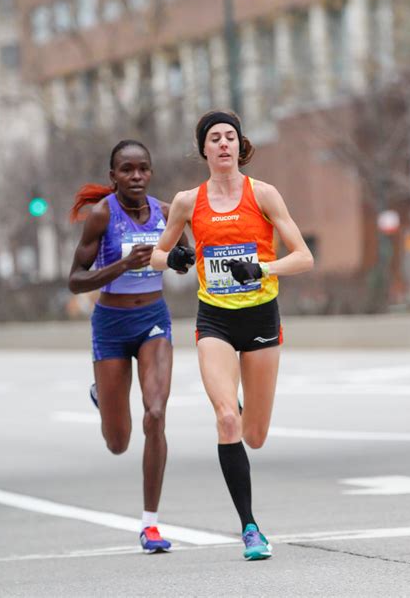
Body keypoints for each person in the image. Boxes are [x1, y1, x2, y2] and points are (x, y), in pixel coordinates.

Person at [151, 111, 314, 561]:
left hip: (261, 319)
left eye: (230, 138)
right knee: (226, 419)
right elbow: (157, 257)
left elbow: (303, 258)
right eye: (214, 138)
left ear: (240, 147)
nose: (223, 144)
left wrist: (262, 268)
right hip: (215, 321)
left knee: (254, 434)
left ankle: (241, 411)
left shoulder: (263, 194)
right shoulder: (188, 201)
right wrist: (179, 258)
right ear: (203, 148)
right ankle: (250, 527)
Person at [68, 139, 190, 554]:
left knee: (155, 415)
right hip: (111, 325)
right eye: (127, 170)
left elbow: (184, 254)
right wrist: (121, 264)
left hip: (153, 319)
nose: (136, 177)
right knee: (117, 442)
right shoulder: (102, 215)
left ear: (151, 172)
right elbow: (74, 279)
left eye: (143, 169)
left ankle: (150, 524)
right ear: (113, 176)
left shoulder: (167, 212)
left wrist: (182, 257)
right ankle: (103, 395)